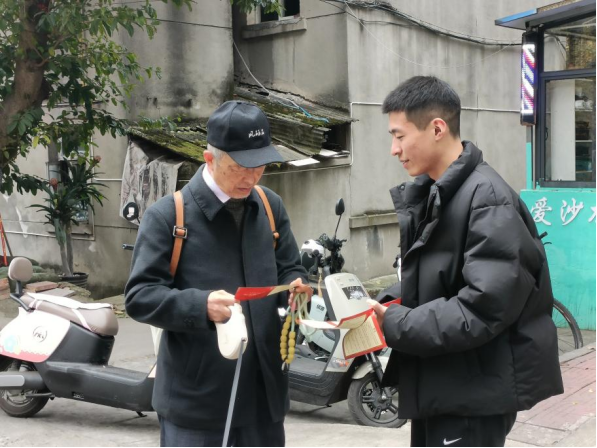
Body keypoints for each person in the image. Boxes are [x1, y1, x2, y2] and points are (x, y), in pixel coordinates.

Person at [369, 76, 564, 447]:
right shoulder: (440, 192)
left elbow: (483, 308)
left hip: (472, 395)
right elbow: (443, 277)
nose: (394, 149)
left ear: (437, 129)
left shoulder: (486, 198)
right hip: (445, 385)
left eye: (399, 136)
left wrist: (398, 322)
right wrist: (386, 302)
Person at [125, 101, 311, 447]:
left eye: (259, 167)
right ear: (209, 159)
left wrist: (297, 286)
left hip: (263, 397)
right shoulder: (168, 217)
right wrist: (200, 306)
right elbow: (139, 297)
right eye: (239, 167)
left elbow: (290, 267)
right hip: (197, 404)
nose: (251, 178)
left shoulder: (269, 206)